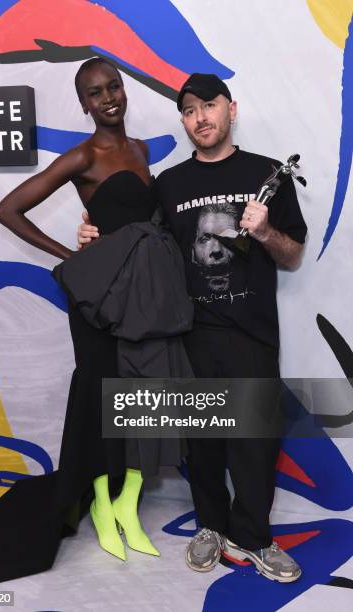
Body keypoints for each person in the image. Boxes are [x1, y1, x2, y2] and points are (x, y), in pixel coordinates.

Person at [78, 72, 307, 582]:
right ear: (183, 120)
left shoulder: (268, 174)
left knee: (253, 443)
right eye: (189, 110)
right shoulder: (169, 185)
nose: (200, 117)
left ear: (231, 109)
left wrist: (265, 229)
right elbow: (135, 238)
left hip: (251, 332)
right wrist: (93, 231)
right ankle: (211, 526)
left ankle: (254, 537)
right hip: (188, 335)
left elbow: (292, 256)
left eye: (209, 105)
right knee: (202, 443)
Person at [0, 57, 189, 564]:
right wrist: (71, 253)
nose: (108, 98)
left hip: (144, 301)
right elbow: (7, 209)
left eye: (114, 87)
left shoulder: (142, 151)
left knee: (141, 398)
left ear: (125, 91)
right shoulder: (82, 157)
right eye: (96, 92)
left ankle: (127, 503)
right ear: (84, 104)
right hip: (100, 303)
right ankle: (101, 503)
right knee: (102, 400)